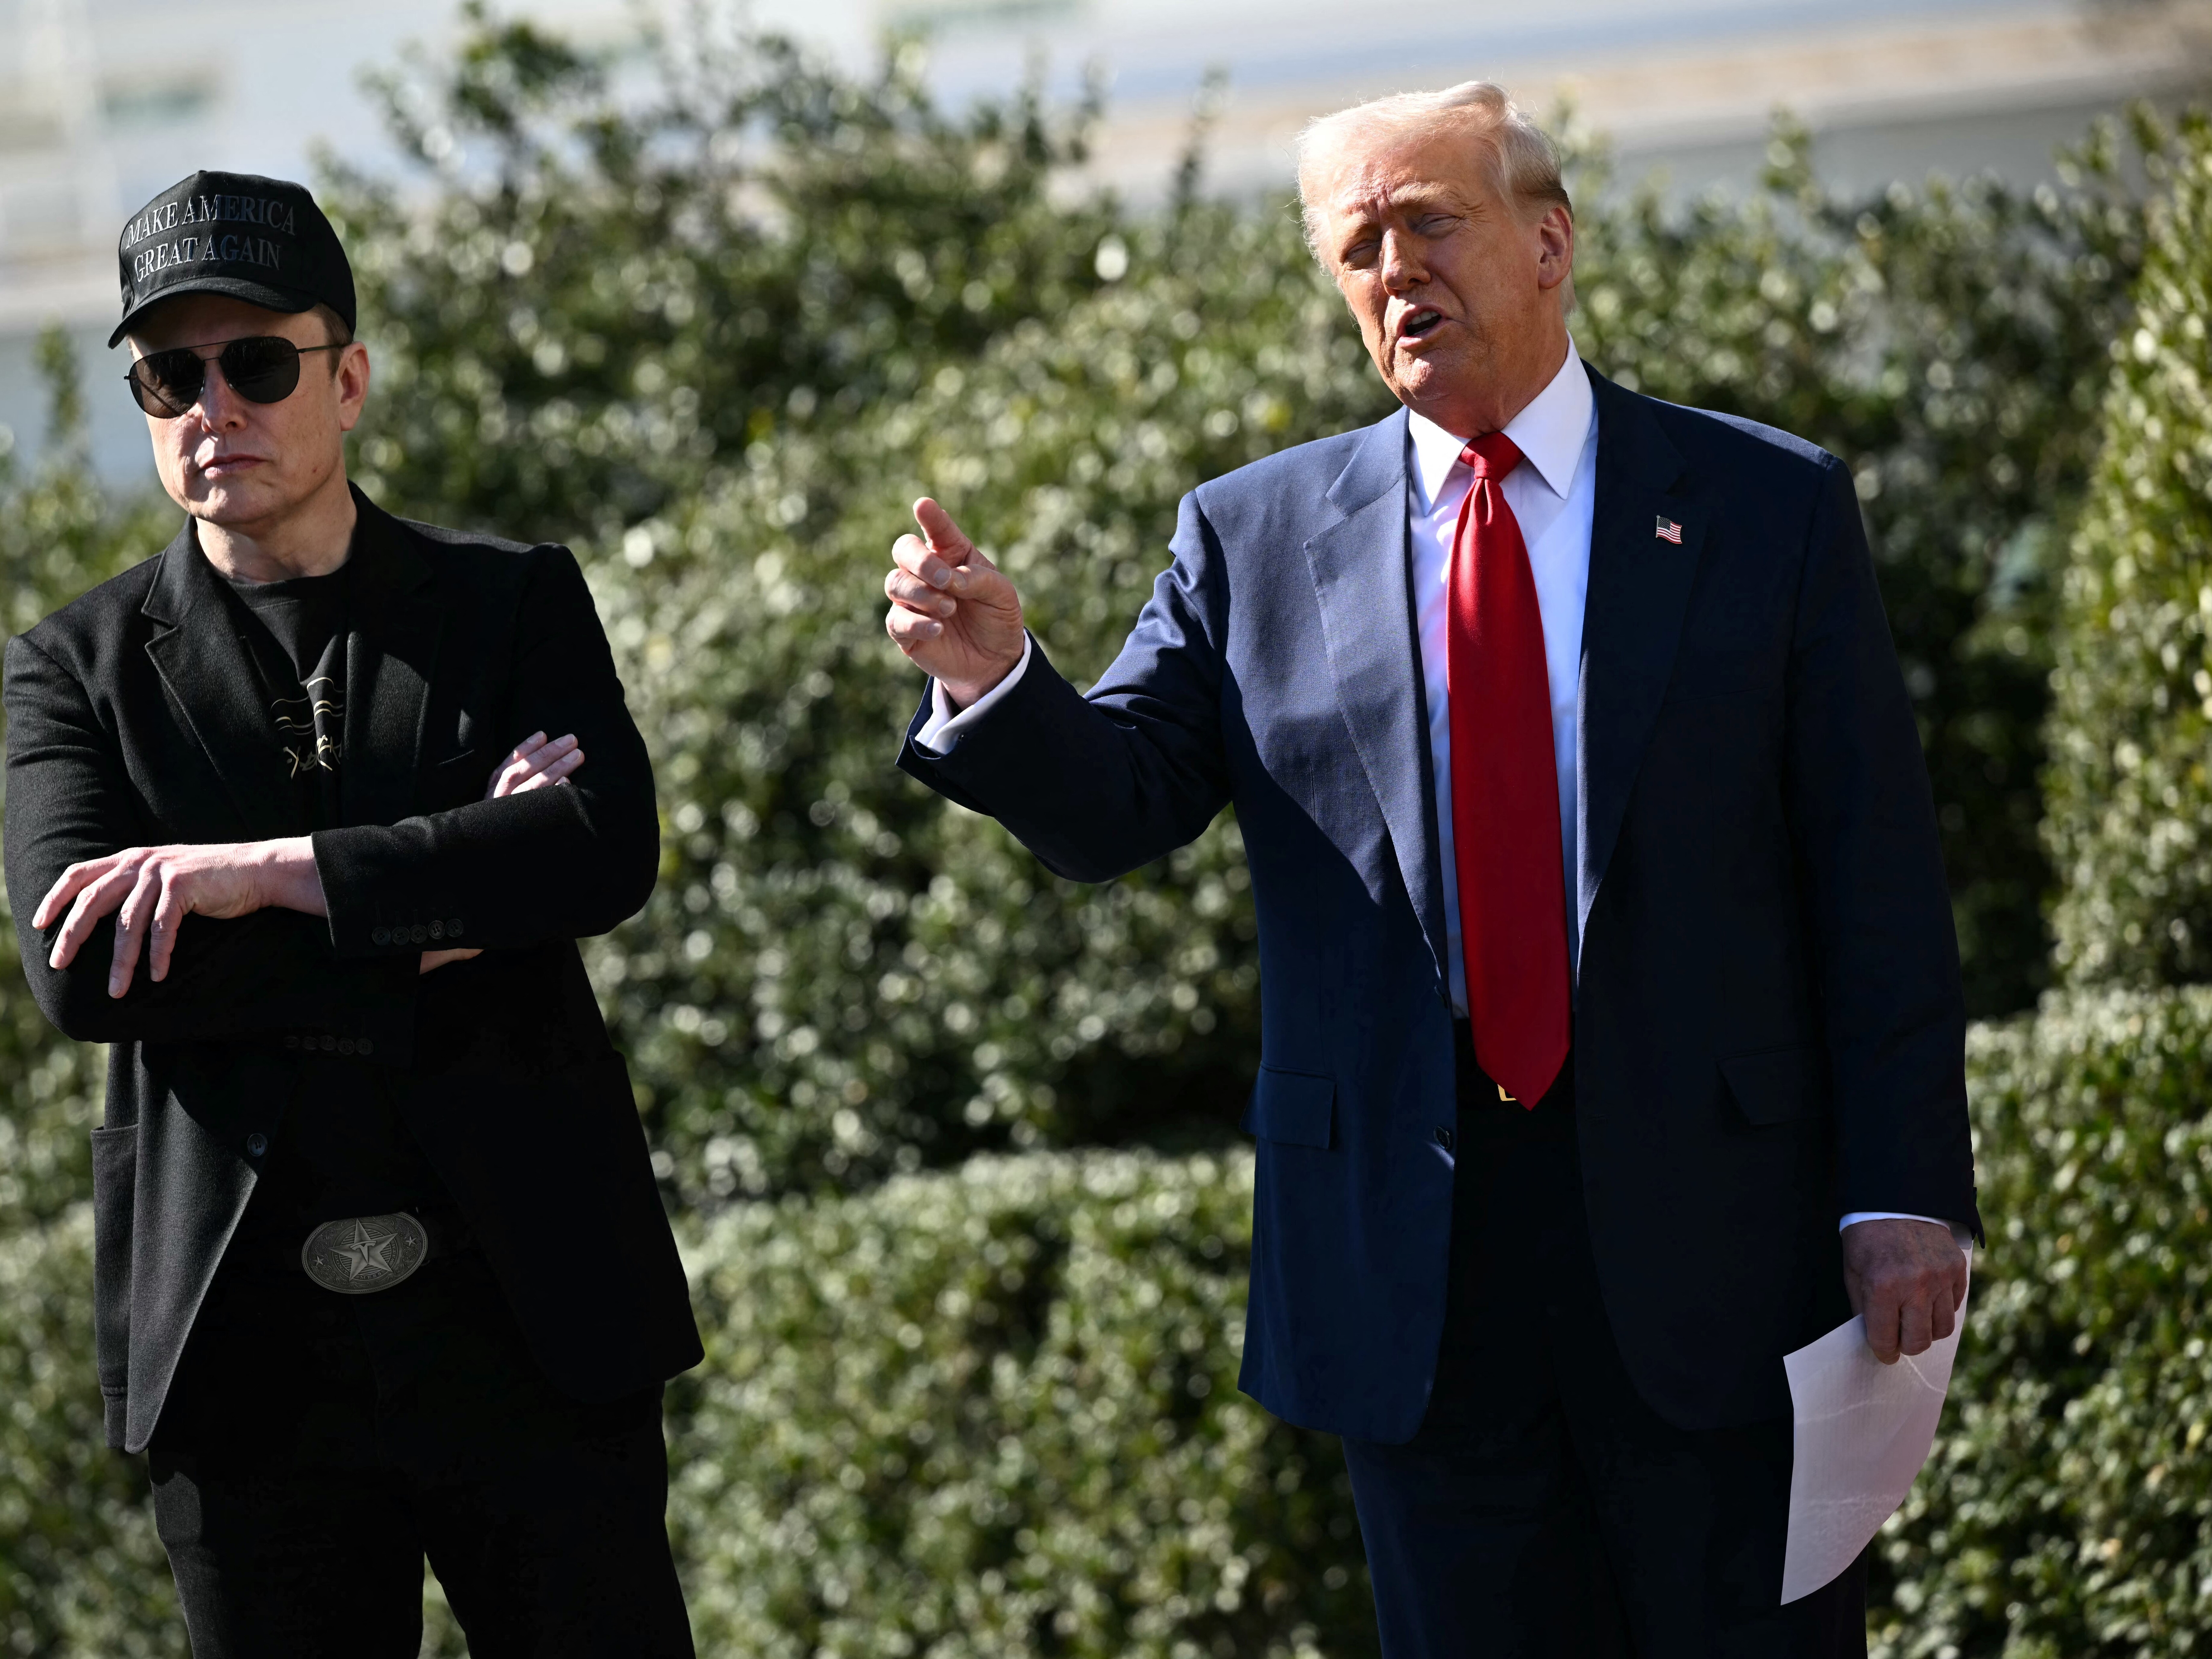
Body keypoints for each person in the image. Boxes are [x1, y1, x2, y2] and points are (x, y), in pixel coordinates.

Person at [882, 85, 1978, 1656]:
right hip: (1408, 1269)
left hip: (1720, 1246)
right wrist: (999, 684)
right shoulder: (1248, 535)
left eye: (1426, 224)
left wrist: (1901, 1188)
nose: (1394, 271)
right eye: (1356, 247)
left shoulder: (1760, 505)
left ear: (1547, 243)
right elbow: (1117, 805)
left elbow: (1869, 868)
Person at [3, 171, 700, 1657]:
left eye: (256, 362)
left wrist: (255, 875)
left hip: (535, 1316)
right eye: (168, 375)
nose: (213, 405)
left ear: (351, 378)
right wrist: (445, 890)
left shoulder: (509, 603)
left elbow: (598, 851)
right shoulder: (67, 670)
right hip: (241, 1351)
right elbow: (86, 973)